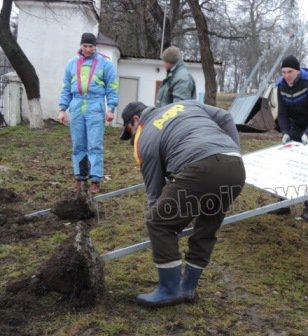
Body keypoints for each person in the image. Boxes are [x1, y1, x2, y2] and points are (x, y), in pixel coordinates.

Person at [120, 100, 245, 308]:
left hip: (200, 167)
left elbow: (154, 192)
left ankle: (169, 290)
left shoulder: (145, 136)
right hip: (234, 167)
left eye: (130, 132)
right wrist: (234, 152)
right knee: (206, 229)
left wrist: (164, 228)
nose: (132, 137)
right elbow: (225, 117)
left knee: (158, 222)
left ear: (135, 120)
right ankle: (188, 288)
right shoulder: (186, 104)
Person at [58, 32, 119, 193]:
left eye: (91, 46)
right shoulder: (71, 63)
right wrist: (62, 109)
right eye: (85, 46)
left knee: (94, 145)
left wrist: (111, 108)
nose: (88, 49)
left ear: (95, 46)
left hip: (95, 106)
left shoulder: (105, 64)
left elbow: (112, 88)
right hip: (77, 106)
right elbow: (66, 88)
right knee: (78, 144)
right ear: (81, 46)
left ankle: (95, 179)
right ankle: (79, 177)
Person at [275, 55, 308, 220]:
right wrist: (285, 132)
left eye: (290, 71)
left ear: (297, 71)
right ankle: (284, 205)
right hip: (296, 126)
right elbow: (282, 113)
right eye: (284, 72)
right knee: (289, 164)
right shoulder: (281, 86)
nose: (287, 75)